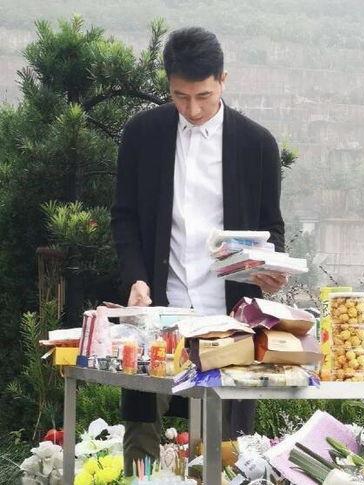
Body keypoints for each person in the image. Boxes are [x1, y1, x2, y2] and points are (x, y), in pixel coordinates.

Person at [111, 26, 287, 475]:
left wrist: (269, 270)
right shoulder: (142, 134)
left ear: (223, 80)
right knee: (142, 435)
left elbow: (271, 228)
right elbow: (124, 217)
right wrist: (136, 278)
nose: (192, 109)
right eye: (180, 96)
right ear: (169, 85)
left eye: (203, 96)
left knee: (224, 449)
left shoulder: (257, 145)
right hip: (157, 311)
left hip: (228, 317)